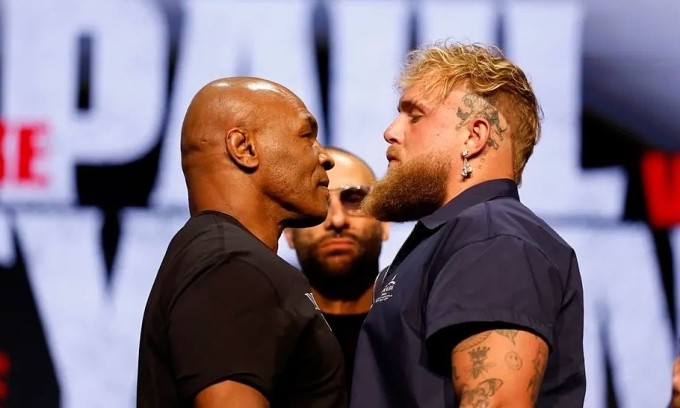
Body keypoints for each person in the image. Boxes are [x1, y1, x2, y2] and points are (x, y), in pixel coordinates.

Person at [351, 41, 586, 407]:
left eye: (414, 115)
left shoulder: (492, 239)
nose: (391, 131)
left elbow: (498, 403)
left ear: (473, 136)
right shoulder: (455, 237)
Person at [136, 77, 347, 408]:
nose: (325, 157)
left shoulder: (219, 257)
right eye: (306, 136)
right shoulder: (233, 267)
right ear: (244, 148)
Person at [284, 147, 389, 391]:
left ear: (384, 223)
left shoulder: (420, 330)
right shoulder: (264, 338)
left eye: (354, 200)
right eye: (318, 203)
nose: (337, 220)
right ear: (289, 233)